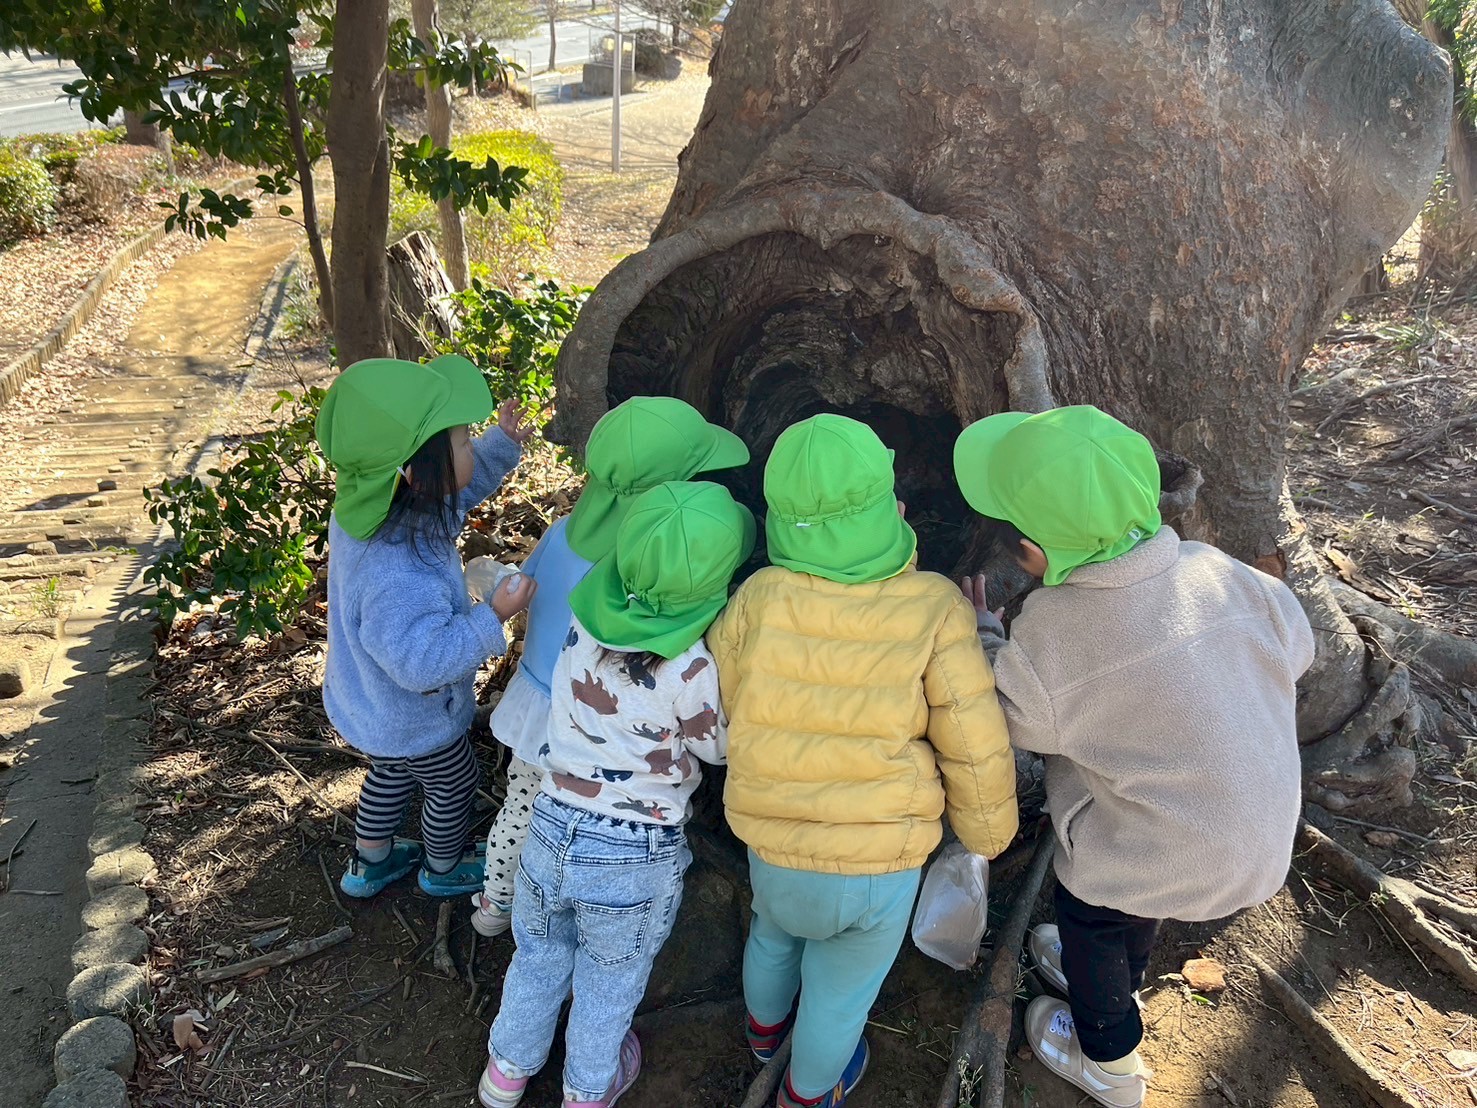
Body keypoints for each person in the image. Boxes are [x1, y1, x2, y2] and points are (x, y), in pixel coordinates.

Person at [952, 405, 1315, 1108]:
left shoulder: (1053, 627)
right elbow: (1295, 647)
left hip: (1148, 851)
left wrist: (990, 639)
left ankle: (1109, 1062)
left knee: (1089, 914)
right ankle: (1130, 967)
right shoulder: (1221, 571)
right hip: (1262, 842)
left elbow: (1021, 722)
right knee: (1141, 877)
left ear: (1029, 553)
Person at [709, 414, 1019, 1108]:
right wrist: (987, 834)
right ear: (890, 508)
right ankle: (807, 1093)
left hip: (773, 837)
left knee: (772, 938)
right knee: (840, 995)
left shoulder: (758, 596)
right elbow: (971, 740)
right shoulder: (936, 606)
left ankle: (763, 1035)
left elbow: (724, 694)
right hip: (880, 864)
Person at [478, 481, 754, 1108]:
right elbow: (715, 749)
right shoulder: (690, 667)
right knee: (609, 979)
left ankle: (506, 1073)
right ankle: (587, 1087)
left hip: (551, 824)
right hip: (634, 853)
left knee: (539, 956)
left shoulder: (583, 626)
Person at [470, 397, 748, 938]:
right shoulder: (640, 566)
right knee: (539, 812)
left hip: (534, 697)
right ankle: (510, 904)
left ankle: (499, 900)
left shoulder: (562, 531)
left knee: (523, 806)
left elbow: (520, 589)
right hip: (590, 722)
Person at [316, 355, 537, 900]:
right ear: (416, 471)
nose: (470, 447)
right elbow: (422, 664)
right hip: (413, 713)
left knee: (389, 774)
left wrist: (499, 445)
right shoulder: (396, 570)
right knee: (453, 781)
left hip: (371, 703)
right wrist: (494, 617)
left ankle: (371, 862)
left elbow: (455, 486)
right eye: (463, 441)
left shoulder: (379, 501)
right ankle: (443, 866)